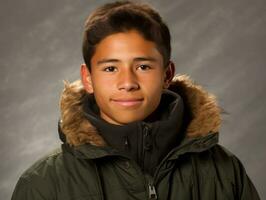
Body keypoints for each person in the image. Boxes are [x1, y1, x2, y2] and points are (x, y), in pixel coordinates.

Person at [12, 1, 260, 199]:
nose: (127, 82)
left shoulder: (225, 172)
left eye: (142, 66)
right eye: (110, 68)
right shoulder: (42, 185)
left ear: (167, 75)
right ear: (88, 78)